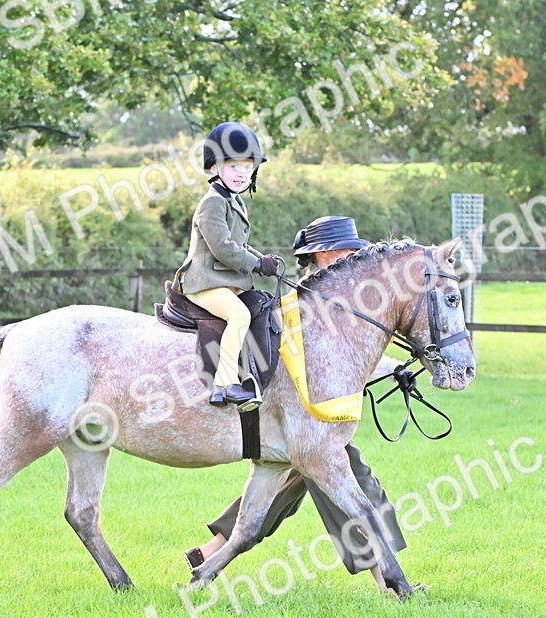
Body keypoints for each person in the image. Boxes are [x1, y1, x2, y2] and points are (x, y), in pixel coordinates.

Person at [184, 216, 409, 592]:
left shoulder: (335, 302)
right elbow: (318, 363)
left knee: (291, 483)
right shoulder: (303, 303)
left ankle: (214, 550)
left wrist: (394, 367)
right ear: (322, 255)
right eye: (346, 250)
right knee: (354, 482)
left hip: (310, 420)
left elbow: (350, 360)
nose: (353, 256)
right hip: (302, 418)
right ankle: (387, 580)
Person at [173, 122, 284, 408]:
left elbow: (240, 245)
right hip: (203, 281)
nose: (242, 174)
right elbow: (223, 249)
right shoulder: (212, 203)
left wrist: (263, 259)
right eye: (234, 167)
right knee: (239, 315)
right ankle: (225, 384)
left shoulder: (234, 201)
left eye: (248, 168)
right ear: (215, 168)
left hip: (223, 282)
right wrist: (257, 265)